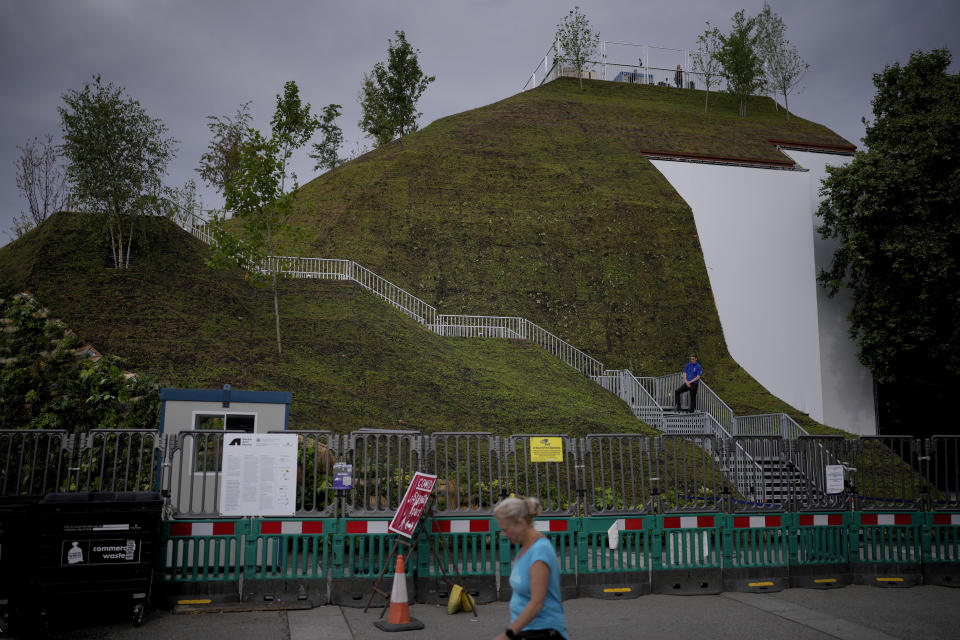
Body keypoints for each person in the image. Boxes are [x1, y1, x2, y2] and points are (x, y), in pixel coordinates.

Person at [492, 496, 568, 640]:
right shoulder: (525, 549)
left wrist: (508, 634)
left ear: (520, 523)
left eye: (505, 529)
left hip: (542, 631)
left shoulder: (540, 551)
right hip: (527, 630)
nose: (503, 534)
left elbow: (537, 602)